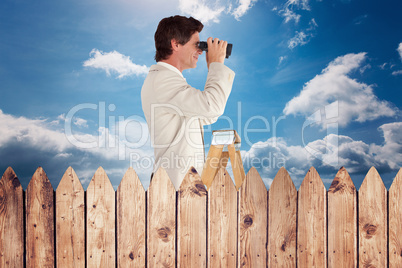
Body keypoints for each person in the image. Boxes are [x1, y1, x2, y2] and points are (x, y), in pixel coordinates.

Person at [141, 15, 235, 190]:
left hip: (179, 185)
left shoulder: (168, 81)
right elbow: (211, 107)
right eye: (196, 45)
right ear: (175, 44)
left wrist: (215, 68)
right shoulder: (163, 79)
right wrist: (216, 66)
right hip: (174, 186)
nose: (200, 51)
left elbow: (206, 115)